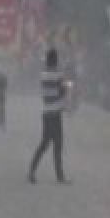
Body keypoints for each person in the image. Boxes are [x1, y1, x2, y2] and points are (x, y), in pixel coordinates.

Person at [29, 48, 69, 184]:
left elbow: (48, 93)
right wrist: (66, 87)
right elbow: (62, 91)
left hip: (46, 113)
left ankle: (31, 171)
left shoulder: (43, 75)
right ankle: (60, 176)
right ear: (56, 60)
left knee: (44, 144)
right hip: (56, 113)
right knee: (58, 146)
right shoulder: (58, 75)